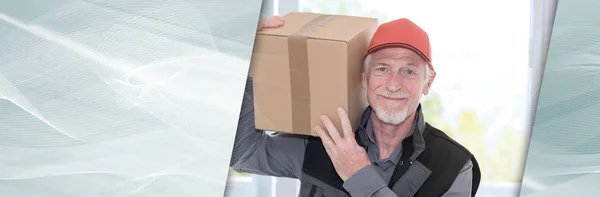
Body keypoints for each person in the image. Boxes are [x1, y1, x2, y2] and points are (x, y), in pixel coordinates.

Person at [230, 15, 481, 197]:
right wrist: (248, 71)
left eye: (409, 71)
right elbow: (243, 154)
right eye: (382, 69)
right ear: (364, 77)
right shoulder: (323, 140)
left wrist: (359, 176)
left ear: (428, 82)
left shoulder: (454, 166)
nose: (393, 84)